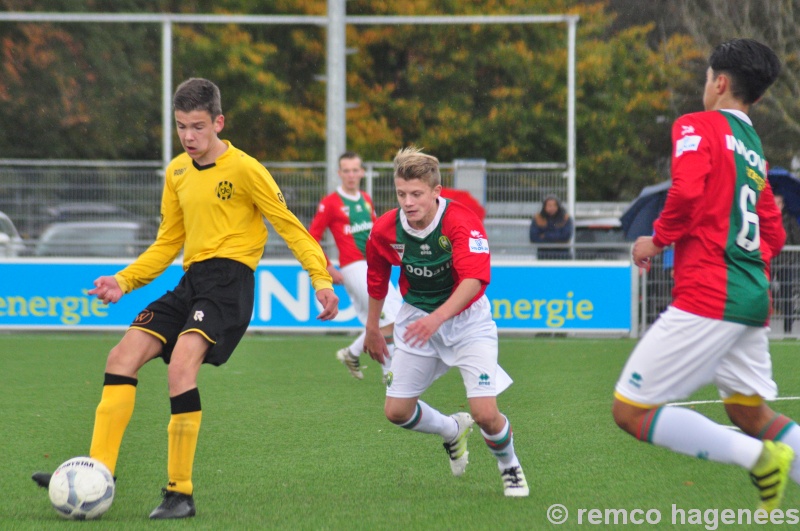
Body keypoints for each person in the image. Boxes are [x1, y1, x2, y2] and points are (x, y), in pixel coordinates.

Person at [31, 78, 339, 519]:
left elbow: (290, 227)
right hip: (191, 281)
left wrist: (319, 278)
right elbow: (166, 243)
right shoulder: (176, 172)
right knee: (121, 356)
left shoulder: (247, 169)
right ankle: (96, 472)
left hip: (230, 283)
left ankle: (180, 493)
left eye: (198, 127)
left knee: (181, 367)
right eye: (181, 127)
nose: (189, 137)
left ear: (218, 122)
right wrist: (124, 280)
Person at [612, 39, 800, 514]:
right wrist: (743, 259)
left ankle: (760, 458)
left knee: (629, 411)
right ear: (755, 97)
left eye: (705, 78)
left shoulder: (696, 125)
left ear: (719, 83)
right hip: (751, 296)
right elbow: (772, 231)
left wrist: (655, 240)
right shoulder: (754, 148)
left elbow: (688, 192)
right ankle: (765, 447)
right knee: (747, 412)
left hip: (710, 295)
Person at [363, 146, 528, 497]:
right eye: (402, 194)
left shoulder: (461, 221)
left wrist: (438, 317)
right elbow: (377, 277)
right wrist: (373, 328)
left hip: (468, 323)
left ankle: (509, 465)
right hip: (417, 320)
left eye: (417, 194)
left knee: (485, 413)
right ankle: (452, 430)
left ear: (436, 192)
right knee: (396, 411)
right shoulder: (385, 229)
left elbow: (475, 279)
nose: (408, 202)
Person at [308, 151, 402, 382]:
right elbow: (311, 237)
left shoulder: (365, 199)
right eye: (346, 171)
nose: (351, 175)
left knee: (393, 317)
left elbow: (377, 231)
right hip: (354, 267)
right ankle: (389, 375)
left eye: (355, 170)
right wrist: (328, 267)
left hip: (374, 265)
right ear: (340, 173)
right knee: (388, 319)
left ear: (361, 172)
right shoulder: (330, 203)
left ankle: (351, 353)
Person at [773, 193, 800, 333]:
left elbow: (796, 240)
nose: (776, 206)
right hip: (769, 261)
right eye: (774, 203)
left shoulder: (789, 220)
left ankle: (788, 329)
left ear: (783, 205)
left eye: (778, 203)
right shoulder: (765, 218)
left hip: (786, 262)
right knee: (763, 292)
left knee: (787, 294)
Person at [529, 195, 573, 259]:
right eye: (549, 206)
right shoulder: (538, 218)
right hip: (544, 255)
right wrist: (557, 237)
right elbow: (533, 237)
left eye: (554, 205)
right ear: (544, 207)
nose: (552, 208)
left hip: (563, 255)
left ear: (558, 206)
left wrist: (545, 235)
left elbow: (566, 236)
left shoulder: (565, 218)